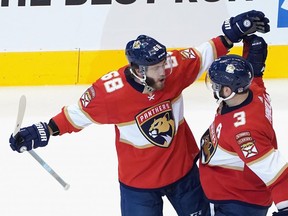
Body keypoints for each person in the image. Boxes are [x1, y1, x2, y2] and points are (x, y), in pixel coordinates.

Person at [9, 11, 269, 216]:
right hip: (138, 185)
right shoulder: (108, 93)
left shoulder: (172, 68)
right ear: (138, 70)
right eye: (156, 68)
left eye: (164, 62)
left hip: (184, 173)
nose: (164, 70)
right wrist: (43, 130)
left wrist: (233, 31)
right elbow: (75, 116)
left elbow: (204, 54)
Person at [199, 34, 288, 216]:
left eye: (217, 85)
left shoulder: (244, 133)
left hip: (238, 204)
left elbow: (278, 174)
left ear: (228, 90)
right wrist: (251, 48)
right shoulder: (252, 92)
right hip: (233, 194)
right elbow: (255, 76)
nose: (214, 88)